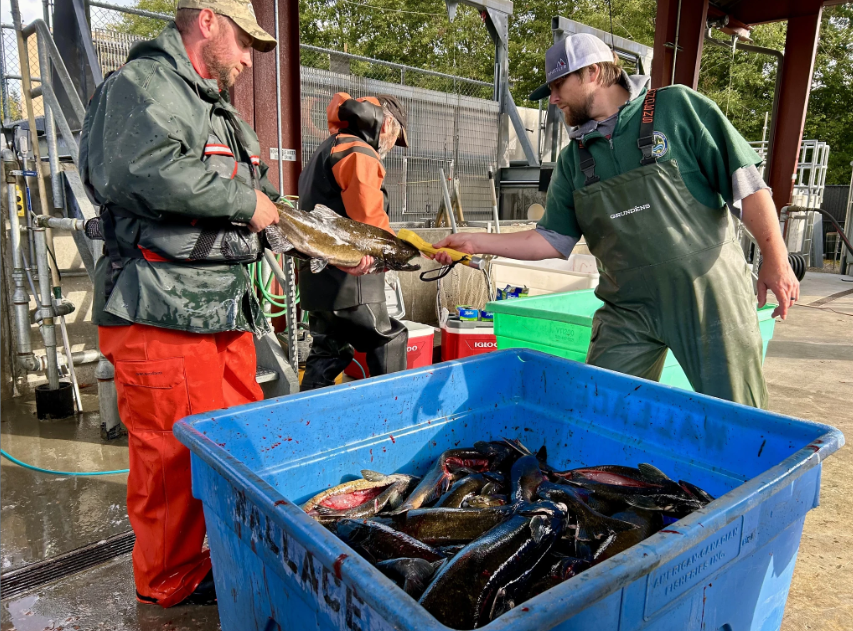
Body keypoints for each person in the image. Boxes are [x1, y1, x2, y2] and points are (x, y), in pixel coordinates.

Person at [79, 0, 369, 608]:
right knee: (170, 458)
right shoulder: (140, 85)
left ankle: (220, 557)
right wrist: (246, 202)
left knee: (234, 447)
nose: (246, 58)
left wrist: (335, 243)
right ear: (207, 19)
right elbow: (135, 170)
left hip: (221, 310)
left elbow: (264, 200)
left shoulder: (214, 107)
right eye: (244, 42)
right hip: (159, 310)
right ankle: (170, 581)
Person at [433, 33, 799, 408]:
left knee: (738, 415)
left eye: (558, 85)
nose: (554, 99)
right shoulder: (573, 160)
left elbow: (748, 184)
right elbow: (551, 240)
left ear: (593, 72)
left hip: (707, 296)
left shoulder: (677, 108)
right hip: (628, 308)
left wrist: (776, 258)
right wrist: (475, 242)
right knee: (600, 407)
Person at [297, 92, 410, 390]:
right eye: (395, 138)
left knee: (329, 351)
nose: (391, 147)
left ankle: (307, 422)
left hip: (318, 278)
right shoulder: (358, 152)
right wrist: (396, 255)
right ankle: (392, 417)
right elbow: (369, 219)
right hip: (351, 280)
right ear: (386, 125)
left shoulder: (326, 149)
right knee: (389, 340)